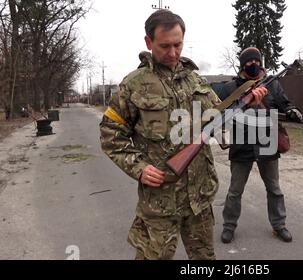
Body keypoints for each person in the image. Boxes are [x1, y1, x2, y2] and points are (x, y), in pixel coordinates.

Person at [99, 10, 267, 260]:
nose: (173, 53)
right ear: (148, 42)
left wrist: (247, 103)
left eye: (178, 44)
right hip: (159, 202)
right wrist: (140, 168)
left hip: (199, 200)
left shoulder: (195, 80)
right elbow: (110, 134)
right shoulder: (132, 85)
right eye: (165, 46)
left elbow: (217, 116)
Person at [216, 47, 303, 244]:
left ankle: (279, 225)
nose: (253, 65)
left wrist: (292, 111)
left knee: (274, 189)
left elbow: (285, 103)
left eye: (255, 61)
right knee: (235, 191)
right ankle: (229, 226)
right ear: (242, 65)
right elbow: (219, 108)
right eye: (248, 63)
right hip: (242, 143)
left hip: (267, 142)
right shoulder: (232, 88)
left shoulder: (272, 84)